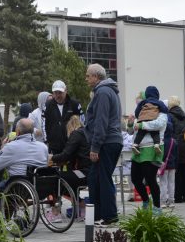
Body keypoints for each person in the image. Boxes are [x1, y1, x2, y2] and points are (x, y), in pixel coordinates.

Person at [84, 63, 123, 226]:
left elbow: (101, 121)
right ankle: (98, 215)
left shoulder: (102, 92)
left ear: (96, 76)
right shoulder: (109, 91)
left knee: (102, 179)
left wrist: (95, 146)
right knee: (96, 178)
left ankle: (109, 216)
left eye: (88, 76)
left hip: (106, 141)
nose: (86, 79)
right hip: (111, 140)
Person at [130, 86, 168, 213]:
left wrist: (142, 125)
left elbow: (159, 124)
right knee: (135, 178)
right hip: (138, 150)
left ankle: (157, 207)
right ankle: (146, 200)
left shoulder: (161, 111)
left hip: (152, 149)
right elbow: (133, 130)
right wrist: (131, 125)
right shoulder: (142, 110)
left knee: (150, 179)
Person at [0, 118, 49, 186]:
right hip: (40, 187)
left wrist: (2, 148)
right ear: (32, 131)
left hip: (18, 187)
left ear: (17, 131)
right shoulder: (43, 147)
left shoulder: (10, 147)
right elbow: (46, 165)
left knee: (1, 185)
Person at [44, 80, 83, 154]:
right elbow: (44, 123)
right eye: (55, 93)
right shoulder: (47, 105)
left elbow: (82, 122)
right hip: (54, 145)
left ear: (66, 91)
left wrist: (79, 139)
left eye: (60, 93)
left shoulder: (74, 104)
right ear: (53, 93)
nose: (58, 95)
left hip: (72, 144)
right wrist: (47, 140)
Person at [167, 96, 185, 203]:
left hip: (175, 146)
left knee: (176, 173)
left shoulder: (169, 116)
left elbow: (169, 131)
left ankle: (177, 196)